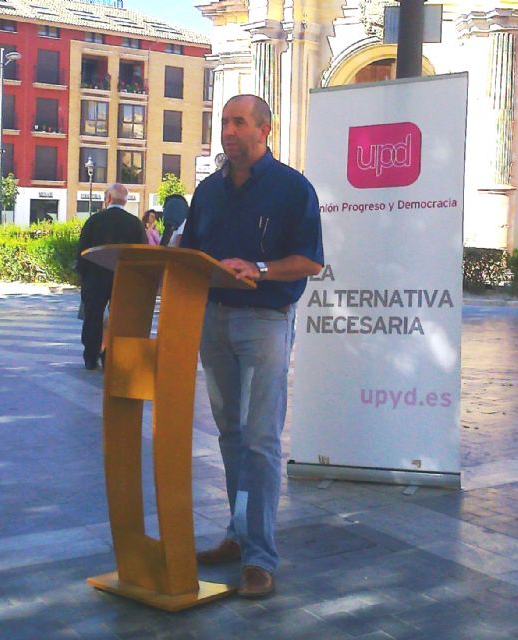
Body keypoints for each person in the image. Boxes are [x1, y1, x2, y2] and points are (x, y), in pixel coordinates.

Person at [181, 94, 324, 597]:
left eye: (239, 122)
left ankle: (260, 558)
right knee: (231, 436)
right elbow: (190, 254)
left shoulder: (292, 188)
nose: (228, 131)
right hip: (213, 320)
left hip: (265, 320)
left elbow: (311, 261)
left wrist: (259, 269)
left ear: (265, 130)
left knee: (261, 440)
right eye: (224, 122)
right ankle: (239, 533)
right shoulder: (208, 191)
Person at [76, 183, 147, 370]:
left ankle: (91, 356)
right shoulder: (135, 224)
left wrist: (83, 275)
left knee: (93, 316)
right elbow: (142, 253)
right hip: (124, 278)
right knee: (119, 317)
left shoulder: (94, 221)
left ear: (107, 199)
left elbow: (82, 251)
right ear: (125, 201)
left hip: (95, 276)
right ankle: (111, 356)